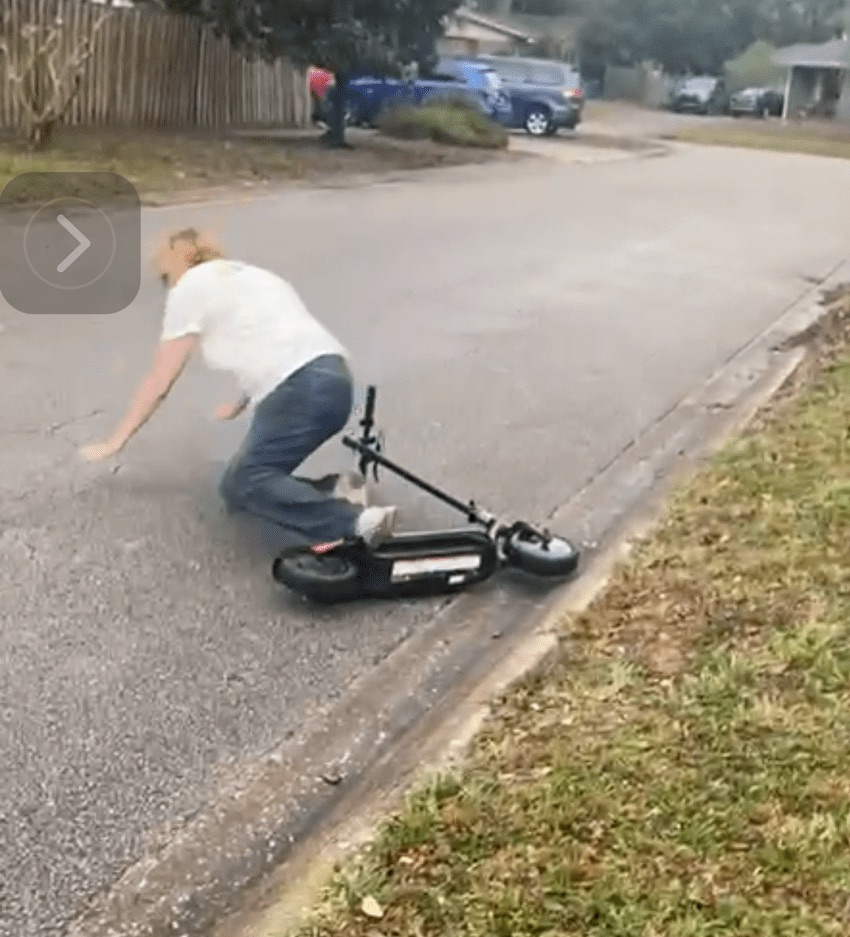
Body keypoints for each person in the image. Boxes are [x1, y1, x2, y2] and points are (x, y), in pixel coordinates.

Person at [80, 227, 398, 547]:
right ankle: (336, 489)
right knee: (249, 477)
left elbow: (160, 379)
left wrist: (115, 441)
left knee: (246, 482)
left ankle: (356, 522)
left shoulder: (189, 288)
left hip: (298, 390)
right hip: (334, 379)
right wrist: (240, 402)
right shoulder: (256, 277)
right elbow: (273, 339)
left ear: (174, 264)